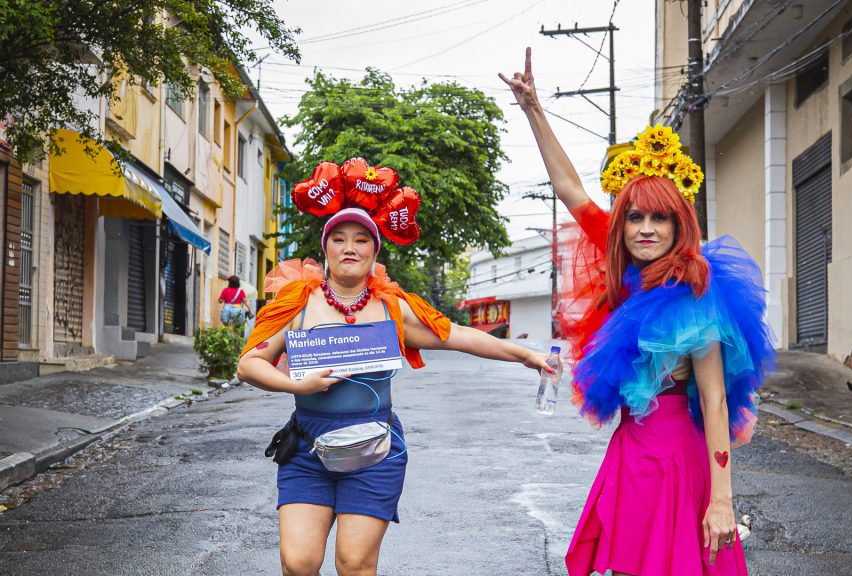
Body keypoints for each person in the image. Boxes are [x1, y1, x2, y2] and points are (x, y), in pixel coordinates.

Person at [501, 49, 776, 576]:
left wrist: (722, 501)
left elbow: (715, 401)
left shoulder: (694, 292)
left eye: (659, 218)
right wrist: (533, 109)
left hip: (678, 456)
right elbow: (570, 190)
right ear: (621, 227)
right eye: (634, 217)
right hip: (631, 449)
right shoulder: (622, 277)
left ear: (678, 227)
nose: (645, 228)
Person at [235, 159, 552, 576]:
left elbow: (457, 335)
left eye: (362, 240)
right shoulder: (296, 303)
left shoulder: (392, 308)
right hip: (308, 449)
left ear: (374, 250)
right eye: (340, 239)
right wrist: (301, 385)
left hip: (374, 450)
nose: (350, 247)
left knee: (354, 563)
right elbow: (249, 364)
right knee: (298, 563)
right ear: (326, 248)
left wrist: (525, 355)